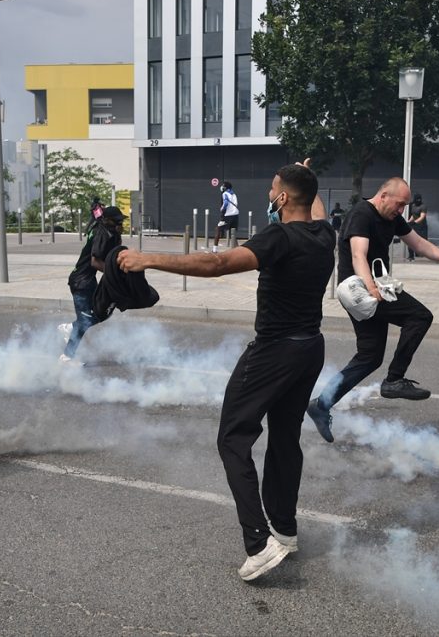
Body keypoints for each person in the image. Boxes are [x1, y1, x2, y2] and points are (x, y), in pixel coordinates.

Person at [117, 162, 333, 582]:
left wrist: (147, 259)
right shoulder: (324, 233)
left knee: (233, 438)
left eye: (274, 190)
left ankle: (259, 544)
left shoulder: (277, 237)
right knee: (285, 440)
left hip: (273, 351)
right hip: (311, 348)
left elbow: (215, 265)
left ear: (283, 198)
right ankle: (285, 531)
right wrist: (304, 173)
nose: (270, 195)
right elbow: (315, 204)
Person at [305, 177, 439, 444]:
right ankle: (394, 380)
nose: (402, 211)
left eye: (405, 206)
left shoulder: (392, 217)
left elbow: (420, 245)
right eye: (400, 204)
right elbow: (357, 256)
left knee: (369, 357)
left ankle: (321, 405)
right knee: (420, 316)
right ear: (383, 195)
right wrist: (372, 288)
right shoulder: (361, 214)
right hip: (360, 291)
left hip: (373, 289)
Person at [61, 205, 126, 361]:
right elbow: (95, 262)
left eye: (121, 222)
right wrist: (113, 273)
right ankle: (66, 358)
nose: (120, 224)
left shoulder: (107, 231)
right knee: (84, 322)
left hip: (88, 281)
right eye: (117, 222)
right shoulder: (100, 234)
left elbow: (113, 252)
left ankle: (70, 327)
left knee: (101, 313)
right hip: (80, 282)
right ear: (108, 221)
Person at [213, 181, 239, 253]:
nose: (222, 187)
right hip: (235, 215)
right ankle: (237, 249)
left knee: (217, 229)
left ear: (225, 187)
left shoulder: (225, 194)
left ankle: (214, 249)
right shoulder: (234, 194)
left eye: (223, 186)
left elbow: (226, 203)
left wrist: (221, 208)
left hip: (227, 216)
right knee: (233, 233)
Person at [406, 193, 428, 262]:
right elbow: (413, 215)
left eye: (419, 199)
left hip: (422, 227)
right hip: (414, 226)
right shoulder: (413, 205)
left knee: (422, 241)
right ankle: (411, 256)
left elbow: (422, 216)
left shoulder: (423, 206)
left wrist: (415, 222)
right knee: (411, 240)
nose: (418, 201)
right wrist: (409, 221)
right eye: (417, 199)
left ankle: (421, 253)